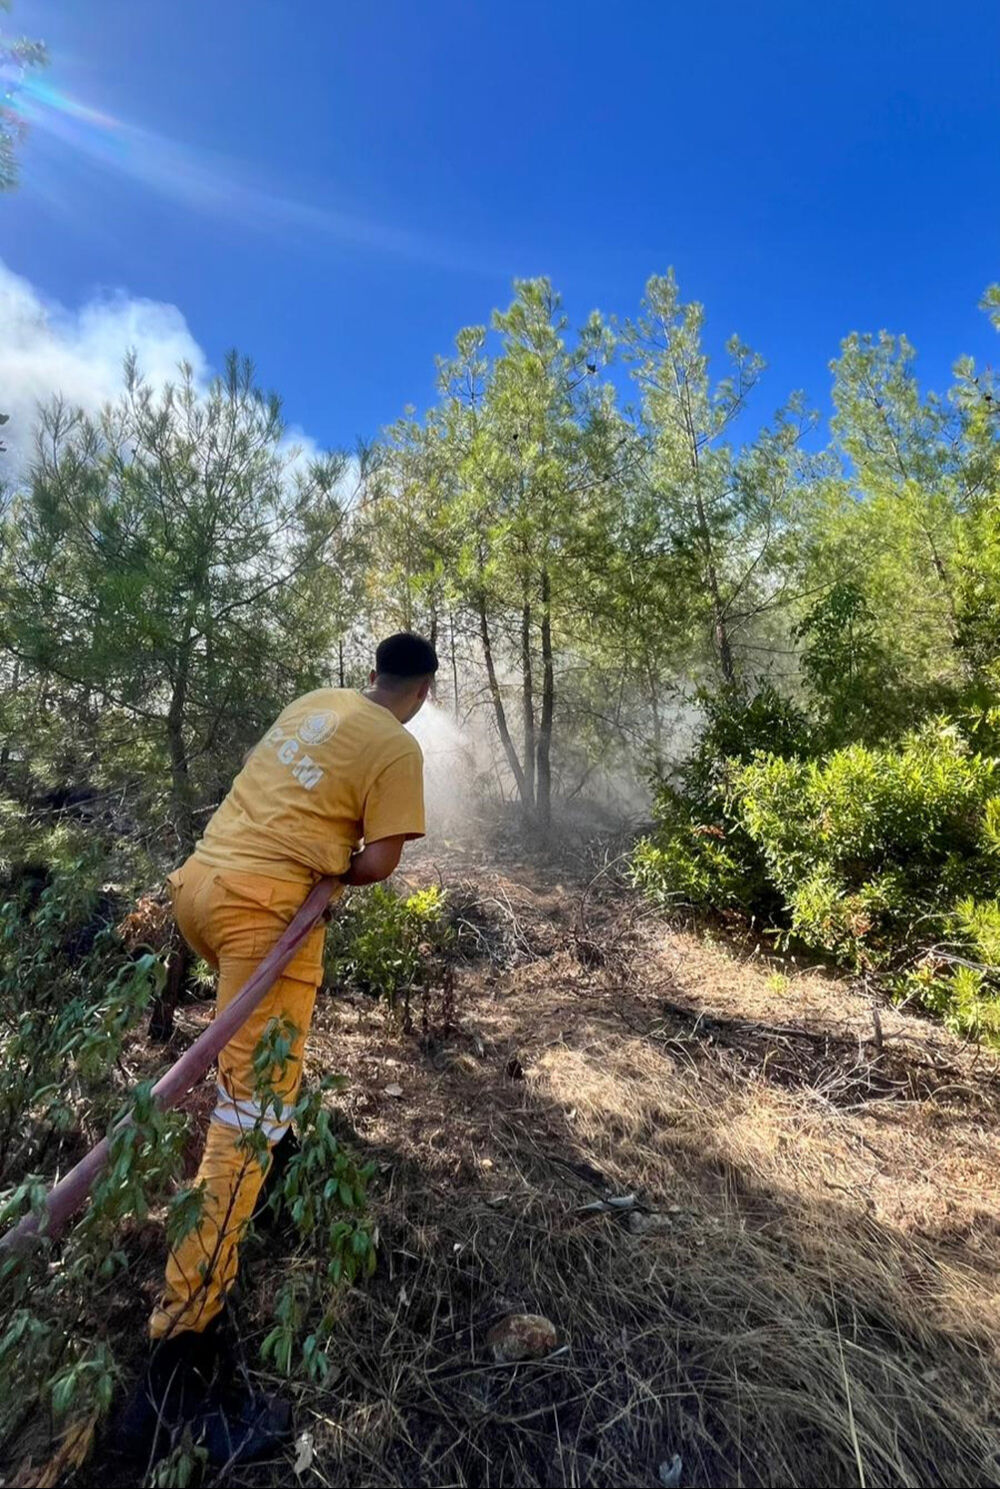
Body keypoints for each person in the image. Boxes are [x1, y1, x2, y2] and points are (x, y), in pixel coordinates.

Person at [121, 632, 438, 1464]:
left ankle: (276, 1164)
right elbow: (377, 860)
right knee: (246, 1112)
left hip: (200, 887)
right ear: (424, 690)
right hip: (264, 912)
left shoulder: (313, 704)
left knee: (259, 1089)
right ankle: (181, 1354)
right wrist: (338, 856)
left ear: (371, 672)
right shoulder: (398, 742)